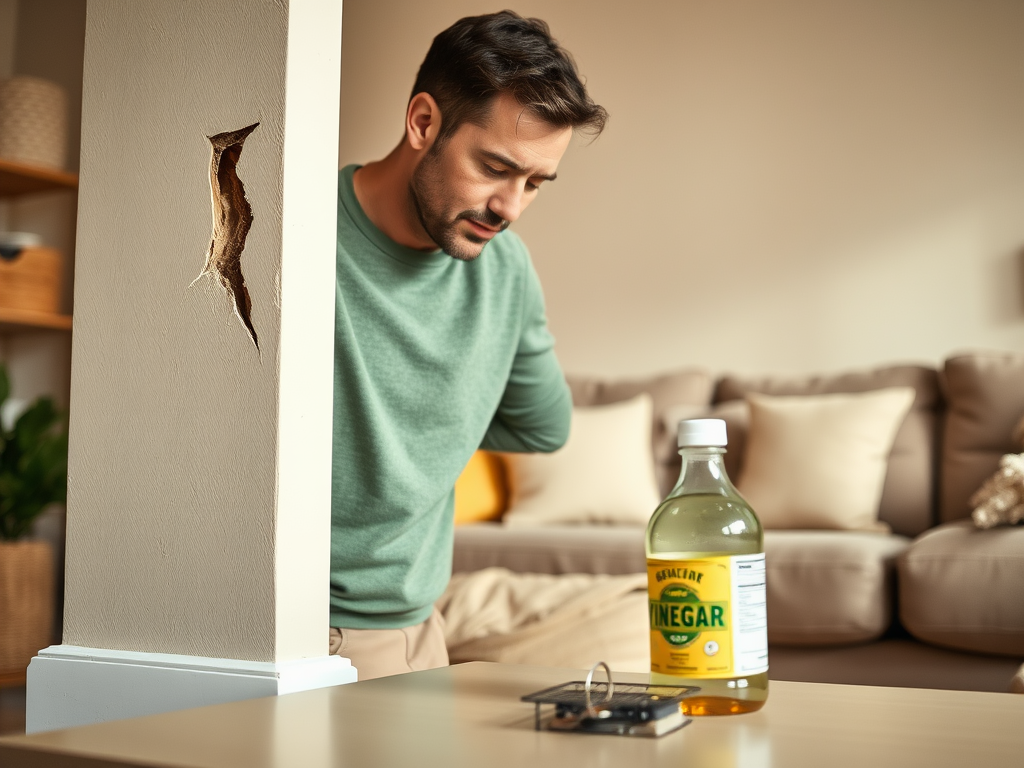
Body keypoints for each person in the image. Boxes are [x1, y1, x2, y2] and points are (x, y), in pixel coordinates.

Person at [328, 10, 607, 680]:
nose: (510, 207)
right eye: (495, 167)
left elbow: (546, 428)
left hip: (409, 634)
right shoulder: (298, 225)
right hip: (267, 622)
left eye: (535, 183)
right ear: (423, 123)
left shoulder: (506, 272)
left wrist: (427, 421)